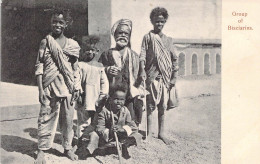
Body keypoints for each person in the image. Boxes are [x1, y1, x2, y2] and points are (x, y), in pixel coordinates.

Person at [34, 9, 81, 164]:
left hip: (67, 86)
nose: (57, 25)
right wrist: (40, 89)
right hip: (49, 85)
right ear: (51, 22)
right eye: (54, 21)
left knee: (68, 119)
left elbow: (75, 68)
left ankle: (67, 148)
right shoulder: (45, 42)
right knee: (46, 117)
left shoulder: (73, 45)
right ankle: (42, 149)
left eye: (61, 22)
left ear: (66, 24)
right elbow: (39, 66)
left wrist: (77, 86)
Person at [139, 7, 178, 145]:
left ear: (165, 21)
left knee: (162, 106)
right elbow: (142, 54)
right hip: (152, 76)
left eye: (161, 22)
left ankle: (161, 133)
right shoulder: (148, 37)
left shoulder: (168, 40)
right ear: (152, 21)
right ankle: (149, 134)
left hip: (165, 78)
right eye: (156, 21)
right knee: (150, 106)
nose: (159, 24)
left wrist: (174, 76)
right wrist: (142, 70)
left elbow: (174, 59)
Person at [76, 85, 142, 159]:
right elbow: (99, 128)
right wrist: (110, 131)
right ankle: (88, 151)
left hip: (120, 136)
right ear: (110, 99)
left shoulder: (125, 111)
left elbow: (132, 126)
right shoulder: (104, 111)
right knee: (93, 135)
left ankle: (123, 146)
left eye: (122, 99)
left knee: (137, 135)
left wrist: (122, 129)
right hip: (106, 137)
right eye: (116, 99)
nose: (119, 102)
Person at [99, 19, 143, 127]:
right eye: (120, 33)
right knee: (110, 121)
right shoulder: (106, 54)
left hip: (129, 95)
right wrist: (107, 69)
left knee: (130, 121)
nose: (123, 35)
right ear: (114, 35)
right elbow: (98, 70)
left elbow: (140, 75)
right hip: (112, 95)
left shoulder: (134, 56)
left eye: (126, 33)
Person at [76, 35, 109, 140]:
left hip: (96, 98)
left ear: (97, 51)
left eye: (92, 50)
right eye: (86, 50)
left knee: (96, 119)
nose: (89, 52)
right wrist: (79, 93)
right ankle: (80, 139)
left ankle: (92, 139)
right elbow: (76, 79)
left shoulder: (99, 66)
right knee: (83, 120)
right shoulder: (80, 65)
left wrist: (102, 96)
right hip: (84, 97)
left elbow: (104, 82)